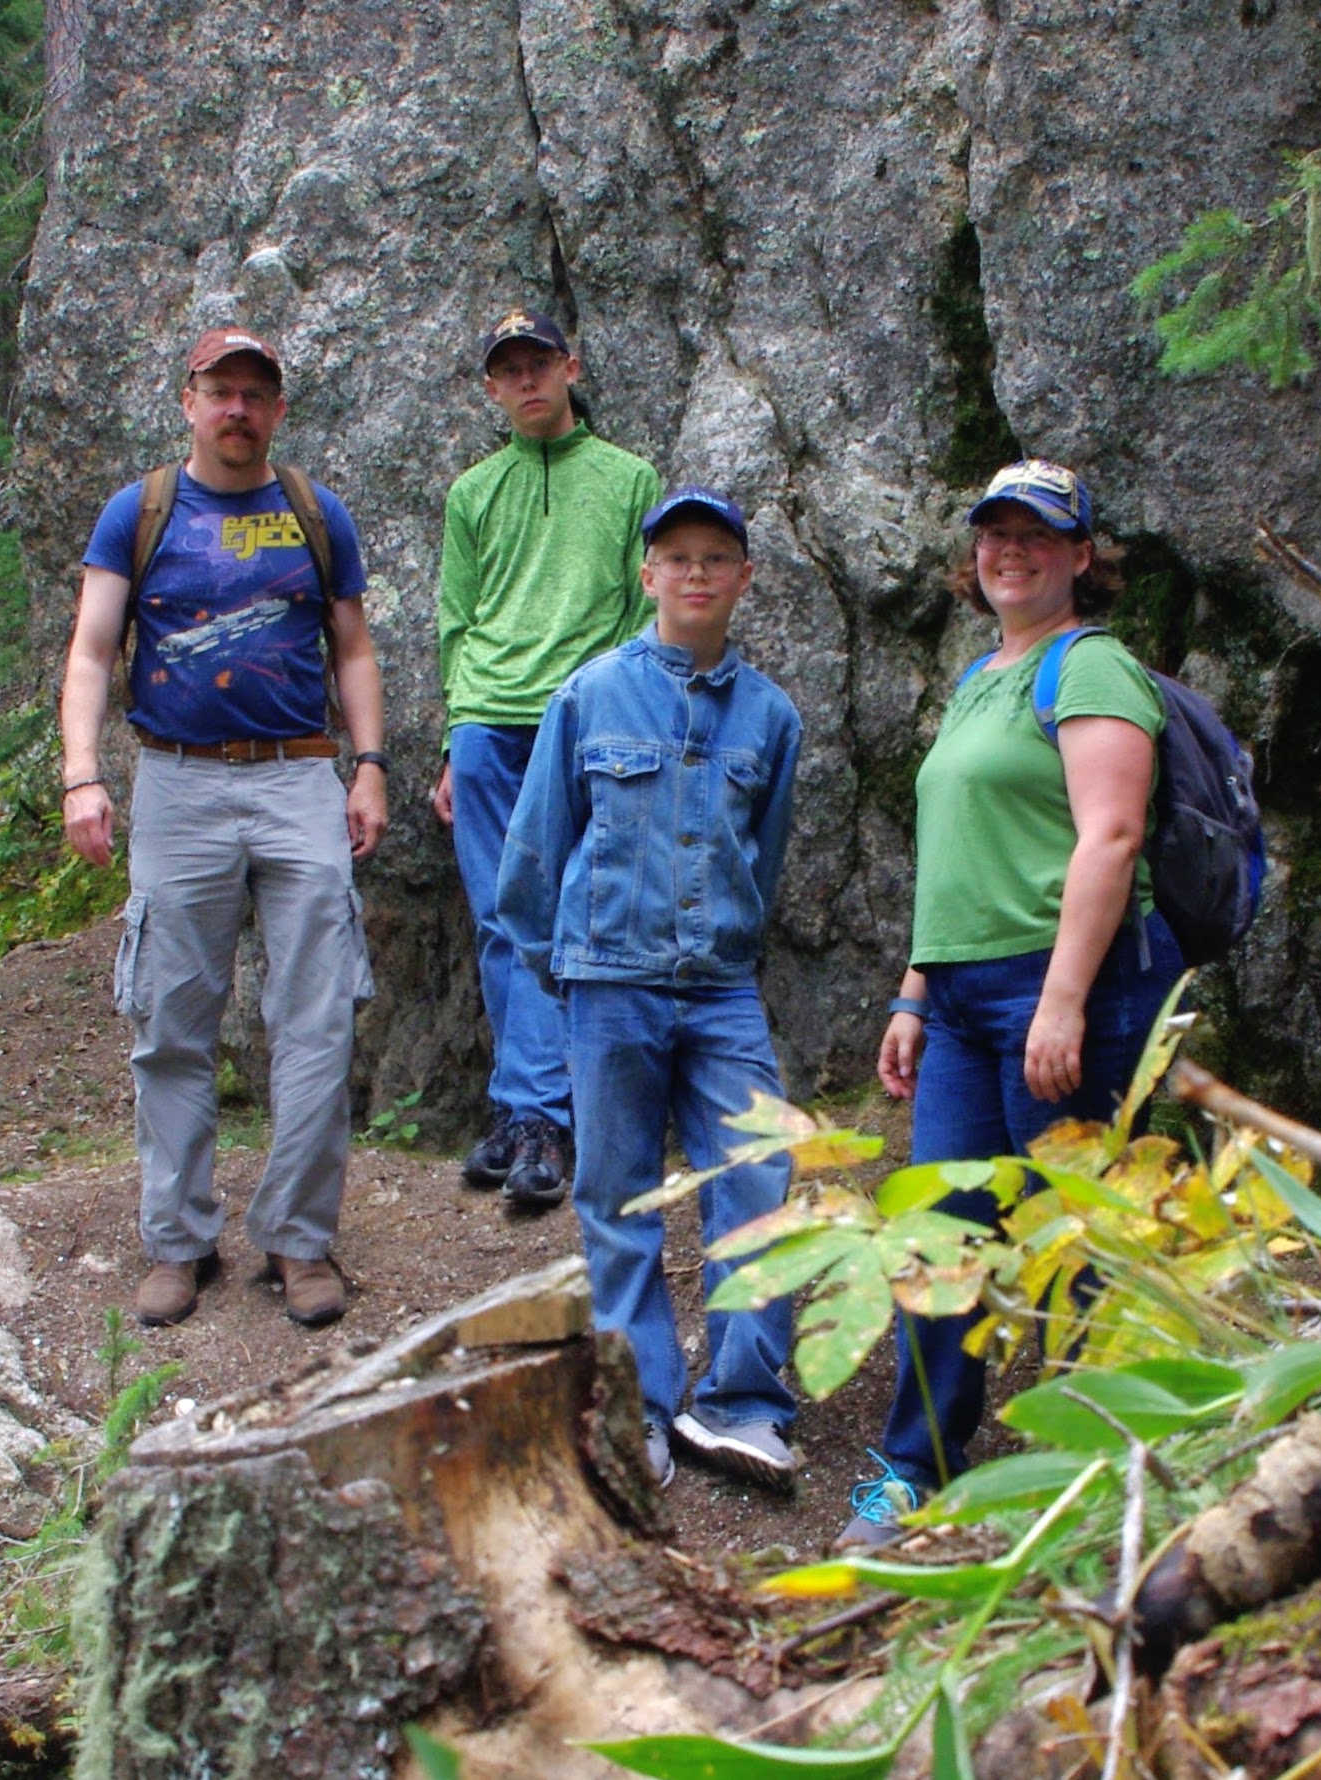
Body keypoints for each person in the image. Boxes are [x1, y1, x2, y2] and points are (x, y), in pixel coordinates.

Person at [838, 459, 1184, 1548]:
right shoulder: (986, 676)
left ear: (1083, 555)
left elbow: (1112, 837)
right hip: (960, 1002)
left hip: (1062, 986)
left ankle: (1090, 1473)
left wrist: (1065, 1000)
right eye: (993, 532)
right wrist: (911, 993)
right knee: (941, 1232)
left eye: (1037, 533)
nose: (1010, 550)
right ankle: (916, 1468)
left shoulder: (1094, 667)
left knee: (1069, 1235)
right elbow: (958, 856)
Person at [58, 326, 388, 1331]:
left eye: (256, 393)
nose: (237, 408)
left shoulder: (313, 513)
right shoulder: (141, 513)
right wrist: (82, 775)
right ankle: (178, 1238)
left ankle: (297, 1238)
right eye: (220, 391)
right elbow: (91, 652)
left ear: (278, 409)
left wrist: (368, 764)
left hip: (297, 778)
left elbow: (355, 650)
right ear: (189, 399)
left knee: (318, 1017)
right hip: (177, 784)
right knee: (169, 1019)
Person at [497, 487, 804, 1492]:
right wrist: (568, 971)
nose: (698, 573)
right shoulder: (588, 696)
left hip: (721, 990)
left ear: (745, 577)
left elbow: (764, 854)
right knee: (618, 1195)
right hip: (608, 984)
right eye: (677, 557)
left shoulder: (771, 716)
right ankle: (645, 1407)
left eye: (719, 557)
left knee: (755, 1178)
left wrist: (729, 942)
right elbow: (535, 853)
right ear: (648, 576)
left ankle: (746, 1403)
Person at [435, 308, 663, 1212]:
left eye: (540, 364)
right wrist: (453, 736)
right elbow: (457, 619)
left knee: (581, 920)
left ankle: (540, 1112)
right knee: (503, 919)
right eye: (508, 371)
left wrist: (614, 712)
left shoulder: (629, 476)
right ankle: (530, 1112)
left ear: (569, 367)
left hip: (581, 722)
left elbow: (640, 609)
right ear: (491, 388)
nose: (526, 382)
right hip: (489, 722)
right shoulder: (472, 492)